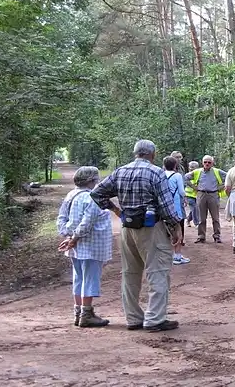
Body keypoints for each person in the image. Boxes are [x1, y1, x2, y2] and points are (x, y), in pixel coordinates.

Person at [90, 139, 182, 332]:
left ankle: (133, 318)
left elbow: (97, 193)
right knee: (157, 271)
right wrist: (176, 227)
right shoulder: (156, 172)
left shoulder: (120, 171)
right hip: (151, 228)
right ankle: (155, 318)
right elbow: (166, 206)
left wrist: (116, 210)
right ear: (153, 154)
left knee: (130, 273)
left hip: (127, 227)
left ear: (135, 153)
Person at [56, 166, 113, 328]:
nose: (98, 181)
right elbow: (87, 223)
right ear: (91, 181)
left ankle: (79, 312)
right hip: (91, 245)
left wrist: (67, 235)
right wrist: (74, 238)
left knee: (79, 277)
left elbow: (61, 218)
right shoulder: (92, 197)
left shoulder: (71, 195)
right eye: (96, 179)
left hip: (75, 245)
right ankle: (86, 314)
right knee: (90, 278)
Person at [187, 155, 225, 244]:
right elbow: (185, 178)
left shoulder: (217, 171)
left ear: (212, 163)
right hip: (201, 194)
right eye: (205, 162)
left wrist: (222, 187)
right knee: (201, 218)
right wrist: (193, 187)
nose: (207, 164)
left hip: (213, 194)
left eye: (209, 162)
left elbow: (229, 177)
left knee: (215, 218)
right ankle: (201, 236)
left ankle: (217, 236)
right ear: (202, 162)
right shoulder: (197, 172)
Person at [164, 156, 189, 265]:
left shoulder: (161, 174)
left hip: (164, 205)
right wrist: (185, 198)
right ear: (175, 165)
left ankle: (169, 256)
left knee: (167, 231)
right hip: (175, 205)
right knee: (177, 230)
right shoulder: (177, 175)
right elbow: (182, 191)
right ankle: (177, 256)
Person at [185, 160, 200, 227]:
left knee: (195, 209)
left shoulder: (199, 175)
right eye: (190, 167)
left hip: (197, 195)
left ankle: (188, 219)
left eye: (193, 167)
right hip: (189, 195)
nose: (191, 168)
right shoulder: (187, 176)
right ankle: (196, 223)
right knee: (194, 208)